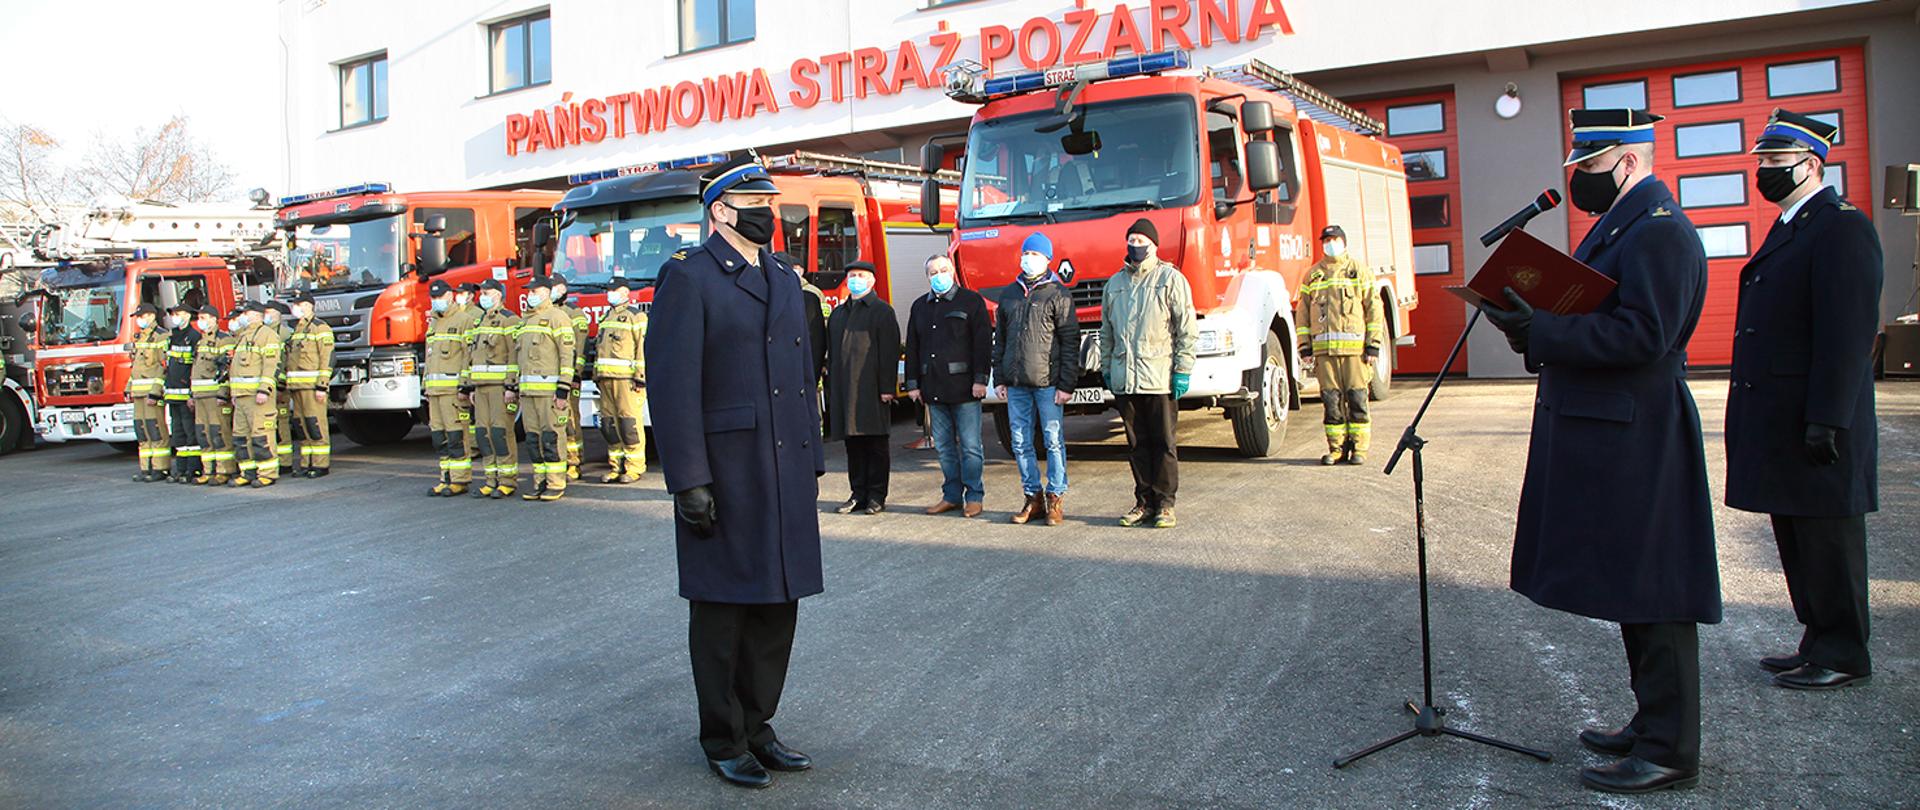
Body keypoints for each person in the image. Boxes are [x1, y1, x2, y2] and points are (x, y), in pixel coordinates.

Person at [1477, 108, 1720, 795]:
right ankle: (1651, 724)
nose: (1580, 181)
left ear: (1630, 162)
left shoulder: (1661, 234)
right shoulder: (1623, 227)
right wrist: (1533, 326)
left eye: (1589, 168)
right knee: (1631, 587)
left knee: (1658, 590)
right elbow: (1596, 316)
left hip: (1639, 430)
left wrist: (1545, 334)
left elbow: (1644, 335)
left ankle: (1671, 750)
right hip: (1611, 428)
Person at [645, 156, 824, 790]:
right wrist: (688, 479)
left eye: (770, 202)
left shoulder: (779, 272)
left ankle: (758, 727)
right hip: (728, 471)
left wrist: (814, 459)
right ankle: (723, 737)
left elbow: (802, 377)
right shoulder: (689, 278)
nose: (767, 212)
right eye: (754, 201)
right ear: (721, 210)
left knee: (778, 606)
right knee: (724, 612)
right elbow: (671, 387)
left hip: (784, 466)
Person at [1726, 110, 1884, 691]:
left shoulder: (1841, 226)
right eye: (1761, 161)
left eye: (1774, 161)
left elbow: (1846, 336)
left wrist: (1827, 418)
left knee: (1829, 537)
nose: (1763, 171)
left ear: (1810, 164)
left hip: (1818, 415)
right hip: (1784, 415)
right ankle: (1817, 640)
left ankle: (1845, 653)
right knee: (1798, 536)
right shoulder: (1796, 222)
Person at [1101, 218, 1197, 528]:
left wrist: (1182, 370)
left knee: (1163, 442)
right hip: (1125, 379)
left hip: (1159, 378)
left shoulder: (1170, 280)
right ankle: (1143, 501)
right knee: (1136, 444)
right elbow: (1107, 333)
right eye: (1132, 239)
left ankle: (1165, 503)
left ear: (1154, 245)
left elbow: (1186, 330)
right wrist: (1107, 369)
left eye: (1142, 240)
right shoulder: (1114, 285)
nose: (1137, 245)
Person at [993, 232, 1077, 526]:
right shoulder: (1009, 294)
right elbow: (1000, 340)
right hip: (1016, 385)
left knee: (1053, 440)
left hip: (1048, 384)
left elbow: (1069, 341)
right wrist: (999, 377)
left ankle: (1055, 497)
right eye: (1026, 254)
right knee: (1020, 442)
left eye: (1036, 255)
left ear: (1047, 259)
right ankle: (1033, 497)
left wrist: (1067, 384)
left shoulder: (1058, 294)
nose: (1029, 259)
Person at [905, 254, 990, 518]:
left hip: (965, 388)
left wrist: (980, 379)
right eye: (933, 272)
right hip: (933, 388)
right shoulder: (920, 306)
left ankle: (974, 496)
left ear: (952, 271)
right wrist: (912, 384)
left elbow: (982, 343)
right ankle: (951, 495)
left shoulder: (971, 301)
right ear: (927, 277)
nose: (938, 275)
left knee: (970, 446)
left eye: (943, 270)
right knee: (943, 447)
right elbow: (913, 347)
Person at [1295, 224, 1385, 466]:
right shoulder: (1312, 275)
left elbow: (1374, 309)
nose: (1329, 244)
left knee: (1357, 400)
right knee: (1331, 402)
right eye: (1326, 240)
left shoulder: (1358, 271)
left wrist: (1373, 346)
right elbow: (1302, 313)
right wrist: (1305, 347)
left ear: (1344, 242)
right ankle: (1336, 449)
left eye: (1334, 239)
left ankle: (1359, 450)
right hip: (1325, 354)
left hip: (1355, 353)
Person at [825, 261, 900, 515]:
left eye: (861, 275)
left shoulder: (882, 311)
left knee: (875, 444)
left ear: (872, 281)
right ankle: (857, 493)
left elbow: (889, 353)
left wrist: (887, 387)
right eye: (852, 275)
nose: (855, 279)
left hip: (872, 388)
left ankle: (877, 495)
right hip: (845, 389)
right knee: (853, 445)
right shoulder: (838, 314)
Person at [514, 276, 576, 501]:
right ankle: (539, 482)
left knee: (551, 438)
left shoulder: (557, 318)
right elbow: (517, 359)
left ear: (548, 292)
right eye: (529, 291)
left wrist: (563, 390)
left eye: (535, 290)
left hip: (550, 395)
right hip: (528, 394)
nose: (531, 294)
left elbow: (567, 356)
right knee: (533, 440)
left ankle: (556, 483)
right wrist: (514, 387)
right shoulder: (525, 322)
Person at [468, 280, 522, 498]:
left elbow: (514, 355)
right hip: (480, 389)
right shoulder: (480, 321)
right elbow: (474, 356)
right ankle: (491, 480)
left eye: (487, 292)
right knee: (483, 434)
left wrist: (511, 385)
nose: (483, 296)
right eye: (481, 292)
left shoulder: (510, 320)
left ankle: (507, 481)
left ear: (499, 295)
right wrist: (472, 385)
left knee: (501, 433)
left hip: (501, 389)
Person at [593, 276, 648, 483]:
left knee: (629, 424)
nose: (610, 293)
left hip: (626, 381)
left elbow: (642, 348)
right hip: (606, 379)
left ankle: (634, 468)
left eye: (614, 290)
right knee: (609, 426)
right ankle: (616, 467)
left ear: (625, 293)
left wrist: (640, 377)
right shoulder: (606, 318)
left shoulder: (636, 316)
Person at [423, 280, 474, 495]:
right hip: (434, 392)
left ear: (450, 296)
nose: (436, 302)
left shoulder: (465, 320)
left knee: (456, 437)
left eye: (440, 297)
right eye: (433, 298)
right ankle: (445, 477)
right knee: (439, 438)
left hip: (452, 392)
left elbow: (468, 355)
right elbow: (429, 356)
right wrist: (425, 385)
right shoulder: (434, 322)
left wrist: (465, 387)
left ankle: (460, 480)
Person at [227, 302, 284, 487]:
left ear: (259, 315)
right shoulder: (243, 337)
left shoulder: (268, 335)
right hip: (241, 396)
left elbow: (271, 365)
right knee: (241, 437)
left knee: (261, 435)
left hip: (258, 397)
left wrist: (264, 390)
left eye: (247, 313)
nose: (244, 316)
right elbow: (235, 369)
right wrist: (233, 393)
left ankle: (267, 473)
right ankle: (248, 472)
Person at [285, 292, 334, 477]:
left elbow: (326, 359)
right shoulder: (298, 329)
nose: (296, 308)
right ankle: (307, 463)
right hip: (296, 387)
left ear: (309, 306)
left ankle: (321, 464)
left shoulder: (320, 328)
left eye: (299, 304)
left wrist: (322, 386)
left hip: (313, 388)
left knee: (316, 425)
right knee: (301, 426)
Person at [188, 306, 235, 485]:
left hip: (215, 396)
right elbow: (196, 370)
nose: (202, 321)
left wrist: (223, 394)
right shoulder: (200, 342)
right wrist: (192, 394)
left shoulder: (224, 340)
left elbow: (227, 369)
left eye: (205, 317)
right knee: (204, 434)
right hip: (200, 396)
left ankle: (225, 470)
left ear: (215, 319)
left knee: (220, 433)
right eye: (200, 317)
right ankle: (208, 470)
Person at [550, 276, 589, 480]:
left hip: (568, 377)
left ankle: (574, 461)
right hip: (549, 377)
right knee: (554, 423)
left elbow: (579, 349)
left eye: (554, 287)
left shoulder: (575, 314)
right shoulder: (544, 313)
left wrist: (575, 374)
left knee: (570, 420)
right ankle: (560, 459)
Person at [127, 303, 171, 481]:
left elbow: (164, 367)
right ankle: (146, 468)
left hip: (151, 394)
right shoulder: (140, 337)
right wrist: (128, 388)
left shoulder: (161, 336)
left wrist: (155, 391)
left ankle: (160, 468)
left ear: (151, 316)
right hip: (138, 393)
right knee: (142, 431)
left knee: (156, 430)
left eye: (142, 316)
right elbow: (135, 368)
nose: (139, 320)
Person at [162, 302, 204, 483]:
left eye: (178, 313)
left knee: (190, 433)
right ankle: (180, 469)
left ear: (187, 315)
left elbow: (194, 367)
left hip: (186, 394)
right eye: (173, 314)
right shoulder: (172, 337)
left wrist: (191, 394)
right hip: (172, 394)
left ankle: (193, 469)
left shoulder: (194, 337)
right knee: (178, 433)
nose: (174, 317)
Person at [266, 302, 298, 477]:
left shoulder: (285, 334)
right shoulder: (265, 333)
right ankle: (274, 459)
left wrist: (281, 386)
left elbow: (287, 362)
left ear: (278, 314)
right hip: (267, 387)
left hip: (280, 389)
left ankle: (285, 462)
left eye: (270, 312)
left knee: (282, 425)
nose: (267, 315)